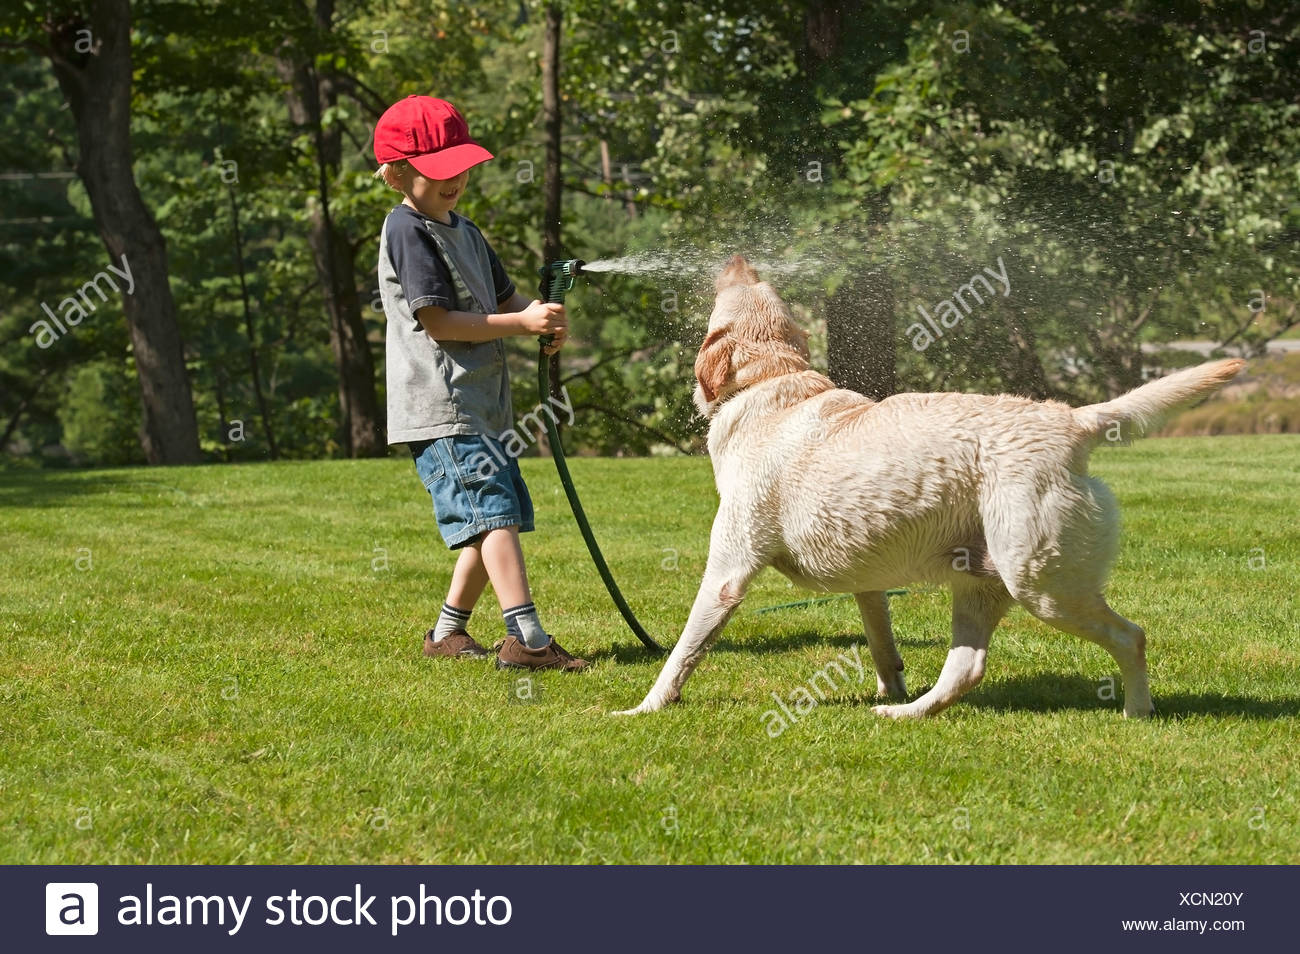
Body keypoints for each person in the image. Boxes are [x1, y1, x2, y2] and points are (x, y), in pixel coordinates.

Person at [373, 94, 587, 671]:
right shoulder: (407, 231)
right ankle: (528, 641)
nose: (456, 179)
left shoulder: (465, 231)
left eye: (461, 165)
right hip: (443, 406)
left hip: (482, 405)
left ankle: (447, 634)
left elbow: (502, 299)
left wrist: (538, 315)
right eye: (438, 169)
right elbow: (438, 321)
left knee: (494, 514)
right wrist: (520, 324)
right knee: (489, 515)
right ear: (396, 173)